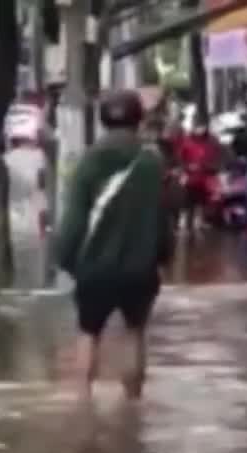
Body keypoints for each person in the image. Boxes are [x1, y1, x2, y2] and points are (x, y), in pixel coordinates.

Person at [54, 89, 173, 400]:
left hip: (94, 268)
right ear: (138, 119)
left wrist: (66, 260)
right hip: (139, 269)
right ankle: (133, 407)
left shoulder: (88, 162)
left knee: (88, 334)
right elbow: (164, 219)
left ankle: (83, 405)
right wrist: (162, 257)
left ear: (102, 119)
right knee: (134, 333)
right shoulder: (152, 163)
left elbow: (73, 222)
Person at [175, 122, 221, 235]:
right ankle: (188, 225)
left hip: (203, 179)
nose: (200, 130)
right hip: (191, 179)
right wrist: (187, 167)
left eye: (202, 127)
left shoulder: (210, 143)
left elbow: (214, 159)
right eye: (198, 127)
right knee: (189, 203)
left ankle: (198, 224)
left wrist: (209, 167)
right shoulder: (187, 142)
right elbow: (179, 159)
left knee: (201, 203)